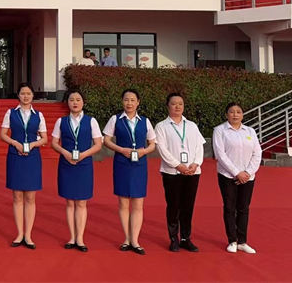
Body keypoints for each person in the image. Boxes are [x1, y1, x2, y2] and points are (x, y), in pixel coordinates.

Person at [103, 88, 156, 255]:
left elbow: (152, 144)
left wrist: (143, 151)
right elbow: (106, 140)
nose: (129, 103)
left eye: (133, 100)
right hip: (122, 163)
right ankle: (126, 238)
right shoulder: (115, 119)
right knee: (123, 203)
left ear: (138, 102)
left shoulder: (145, 121)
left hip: (139, 165)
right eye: (126, 100)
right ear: (122, 101)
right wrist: (121, 149)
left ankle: (135, 240)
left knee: (138, 203)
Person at [50, 90, 103, 253]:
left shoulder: (91, 121)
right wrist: (65, 153)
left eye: (78, 99)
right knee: (69, 202)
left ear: (83, 102)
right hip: (66, 164)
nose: (75, 102)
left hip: (84, 165)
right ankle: (72, 237)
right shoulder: (61, 121)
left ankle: (80, 238)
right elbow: (54, 143)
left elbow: (98, 144)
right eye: (72, 99)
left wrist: (83, 155)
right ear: (67, 102)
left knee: (81, 202)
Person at [0, 82, 48, 249]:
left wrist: (33, 144)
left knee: (31, 197)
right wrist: (15, 143)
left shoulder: (39, 115)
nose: (25, 96)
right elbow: (3, 134)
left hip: (32, 158)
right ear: (18, 95)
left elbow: (45, 138)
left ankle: (28, 235)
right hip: (15, 156)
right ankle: (19, 233)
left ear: (33, 95)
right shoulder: (11, 113)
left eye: (28, 93)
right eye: (22, 93)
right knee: (17, 196)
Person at [154, 93, 205, 253]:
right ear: (167, 105)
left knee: (188, 206)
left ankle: (185, 238)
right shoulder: (161, 126)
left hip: (192, 172)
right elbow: (162, 149)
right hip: (172, 172)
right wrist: (177, 165)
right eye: (174, 103)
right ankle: (173, 238)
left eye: (180, 104)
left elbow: (199, 146)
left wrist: (195, 164)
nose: (177, 106)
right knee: (174, 205)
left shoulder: (191, 126)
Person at [213, 102, 261, 254]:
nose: (235, 115)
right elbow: (220, 154)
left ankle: (242, 241)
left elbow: (257, 153)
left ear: (242, 115)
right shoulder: (220, 131)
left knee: (243, 208)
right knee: (229, 207)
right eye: (232, 112)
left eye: (238, 112)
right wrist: (236, 173)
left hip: (247, 177)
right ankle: (232, 240)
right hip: (227, 175)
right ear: (226, 114)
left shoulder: (250, 131)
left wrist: (247, 172)